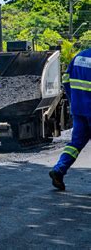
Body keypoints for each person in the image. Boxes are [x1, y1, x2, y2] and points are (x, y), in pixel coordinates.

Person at [49, 48, 91, 190]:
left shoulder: (79, 57)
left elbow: (66, 80)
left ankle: (59, 169)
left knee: (75, 144)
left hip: (78, 109)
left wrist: (73, 99)